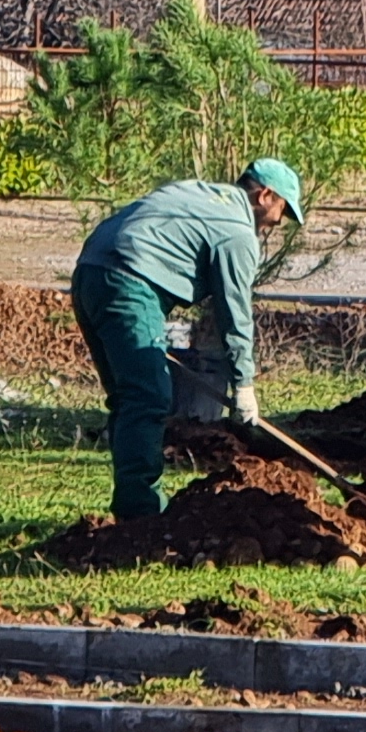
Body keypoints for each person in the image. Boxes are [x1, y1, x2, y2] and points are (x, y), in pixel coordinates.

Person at [70, 158, 304, 521]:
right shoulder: (238, 233)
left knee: (128, 398)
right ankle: (140, 515)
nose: (277, 223)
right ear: (265, 195)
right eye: (281, 211)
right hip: (129, 282)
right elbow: (234, 310)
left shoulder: (199, 193)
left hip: (90, 274)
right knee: (147, 398)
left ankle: (130, 504)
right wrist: (243, 383)